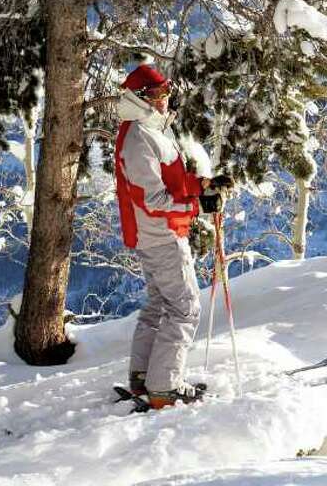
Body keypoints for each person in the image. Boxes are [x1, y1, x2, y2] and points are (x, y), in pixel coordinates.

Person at [114, 63, 232, 409]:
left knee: (159, 305)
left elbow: (172, 184)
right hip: (161, 235)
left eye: (166, 92)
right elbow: (153, 200)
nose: (164, 98)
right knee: (185, 309)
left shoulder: (150, 131)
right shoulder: (139, 139)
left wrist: (205, 185)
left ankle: (143, 377)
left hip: (155, 234)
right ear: (139, 98)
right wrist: (198, 207)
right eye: (156, 93)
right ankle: (164, 387)